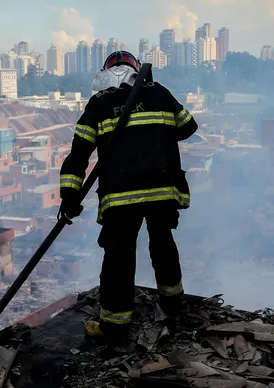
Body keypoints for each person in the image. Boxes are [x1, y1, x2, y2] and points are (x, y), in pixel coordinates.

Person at [58, 50, 199, 345]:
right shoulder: (160, 93)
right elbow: (189, 127)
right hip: (162, 191)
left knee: (119, 257)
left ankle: (114, 325)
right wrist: (154, 131)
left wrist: (69, 198)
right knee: (163, 244)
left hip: (121, 197)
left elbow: (79, 154)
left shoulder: (99, 104)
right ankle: (173, 304)